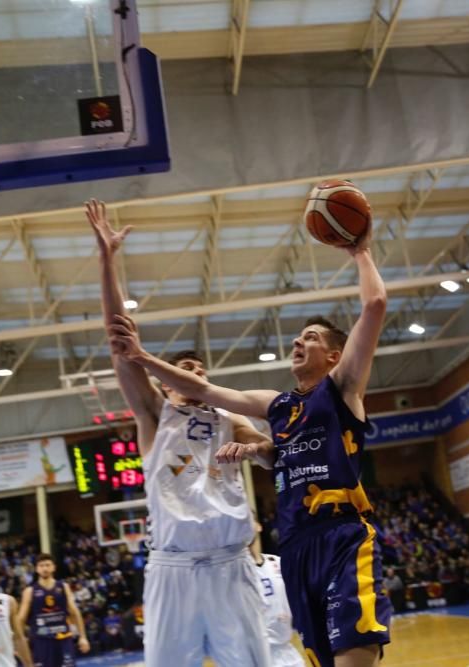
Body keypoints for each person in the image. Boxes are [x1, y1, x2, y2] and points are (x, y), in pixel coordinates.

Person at [107, 220, 390, 667]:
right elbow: (205, 392)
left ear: (334, 356)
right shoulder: (273, 405)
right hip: (295, 544)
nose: (299, 341)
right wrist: (260, 449)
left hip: (340, 536)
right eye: (298, 337)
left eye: (311, 338)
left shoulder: (342, 389)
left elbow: (374, 304)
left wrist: (361, 252)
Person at [85, 199, 273, 666]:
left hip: (232, 564)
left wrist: (253, 450)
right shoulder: (153, 412)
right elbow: (118, 338)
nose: (195, 373)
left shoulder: (230, 416)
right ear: (168, 381)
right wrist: (108, 261)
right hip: (174, 568)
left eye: (201, 370)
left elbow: (274, 458)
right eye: (185, 368)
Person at [251, 514, 306, 666]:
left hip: (287, 653)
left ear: (258, 526)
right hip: (254, 656)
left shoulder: (277, 562)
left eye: (246, 520)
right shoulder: (231, 572)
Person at [17, 554, 89, 667]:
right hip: (41, 641)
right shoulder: (29, 591)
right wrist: (19, 642)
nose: (45, 568)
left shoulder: (63, 587)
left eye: (47, 565)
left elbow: (74, 613)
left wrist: (83, 637)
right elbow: (20, 619)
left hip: (63, 639)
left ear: (54, 567)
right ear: (36, 569)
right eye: (41, 565)